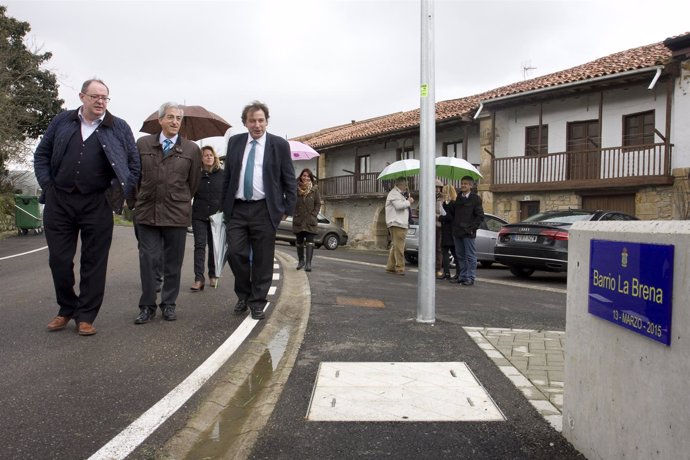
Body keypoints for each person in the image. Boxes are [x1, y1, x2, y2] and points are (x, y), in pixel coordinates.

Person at [34, 78, 140, 336]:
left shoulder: (119, 127)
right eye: (95, 97)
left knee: (94, 262)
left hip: (97, 202)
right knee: (59, 259)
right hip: (60, 200)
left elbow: (133, 165)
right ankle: (66, 308)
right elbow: (42, 155)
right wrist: (48, 186)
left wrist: (116, 191)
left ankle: (86, 316)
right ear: (82, 97)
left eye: (105, 97)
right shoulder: (62, 121)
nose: (101, 101)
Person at [221, 101, 296, 320]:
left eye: (261, 120)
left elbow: (289, 179)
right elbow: (228, 177)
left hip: (265, 209)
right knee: (235, 253)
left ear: (267, 121)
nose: (257, 125)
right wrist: (223, 207)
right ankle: (243, 294)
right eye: (252, 120)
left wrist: (286, 208)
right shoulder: (235, 143)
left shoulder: (279, 145)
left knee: (263, 259)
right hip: (237, 208)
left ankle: (257, 301)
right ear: (245, 122)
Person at [129, 102, 201, 324]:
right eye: (170, 117)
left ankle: (169, 304)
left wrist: (178, 199)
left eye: (179, 118)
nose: (175, 121)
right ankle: (147, 306)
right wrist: (135, 203)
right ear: (160, 120)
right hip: (147, 213)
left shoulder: (191, 149)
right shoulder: (142, 144)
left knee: (173, 263)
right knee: (148, 260)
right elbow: (134, 178)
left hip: (176, 214)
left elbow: (194, 183)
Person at [191, 146, 224, 291]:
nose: (209, 157)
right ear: (201, 159)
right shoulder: (196, 175)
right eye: (205, 155)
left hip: (216, 217)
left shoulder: (222, 175)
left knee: (213, 247)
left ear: (215, 157)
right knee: (199, 246)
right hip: (198, 215)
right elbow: (189, 193)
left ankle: (212, 274)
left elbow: (226, 195)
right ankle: (199, 279)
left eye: (211, 155)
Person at [448, 176, 484, 286]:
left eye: (466, 184)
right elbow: (452, 215)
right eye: (462, 183)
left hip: (468, 233)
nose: (463, 185)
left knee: (470, 256)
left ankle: (470, 277)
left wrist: (472, 229)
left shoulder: (475, 198)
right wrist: (448, 203)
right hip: (457, 232)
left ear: (471, 186)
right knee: (460, 256)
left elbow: (480, 216)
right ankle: (462, 276)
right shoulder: (458, 198)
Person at [292, 168, 321, 272]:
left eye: (308, 176)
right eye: (304, 175)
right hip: (299, 219)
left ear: (310, 178)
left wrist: (314, 214)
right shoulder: (295, 188)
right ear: (301, 176)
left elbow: (318, 203)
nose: (306, 178)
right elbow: (291, 201)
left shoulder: (315, 189)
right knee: (299, 241)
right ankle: (301, 261)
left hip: (310, 220)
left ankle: (308, 263)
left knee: (310, 241)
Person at [385, 177, 414, 275]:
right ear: (400, 185)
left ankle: (390, 267)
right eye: (405, 185)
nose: (406, 187)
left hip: (399, 223)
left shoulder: (398, 194)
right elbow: (398, 206)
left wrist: (407, 200)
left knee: (395, 246)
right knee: (400, 247)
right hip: (398, 223)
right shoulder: (394, 193)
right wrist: (408, 202)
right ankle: (400, 268)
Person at [438, 184, 459, 280]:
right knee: (455, 252)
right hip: (453, 231)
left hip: (447, 230)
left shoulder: (448, 204)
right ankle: (458, 273)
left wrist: (440, 217)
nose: (442, 192)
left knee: (445, 251)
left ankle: (446, 273)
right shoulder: (455, 203)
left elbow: (449, 217)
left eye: (444, 191)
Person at [434, 179, 445, 278]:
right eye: (435, 187)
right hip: (429, 227)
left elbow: (445, 213)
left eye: (439, 187)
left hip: (439, 226)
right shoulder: (427, 198)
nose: (437, 189)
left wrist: (437, 216)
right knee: (429, 249)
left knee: (438, 249)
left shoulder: (443, 199)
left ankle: (437, 269)